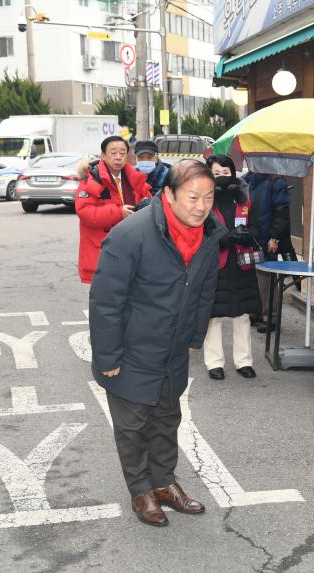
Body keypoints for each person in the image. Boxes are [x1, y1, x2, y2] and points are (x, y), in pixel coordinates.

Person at [89, 160, 225, 527]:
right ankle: (141, 491)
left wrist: (194, 336)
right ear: (168, 194)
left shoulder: (211, 232)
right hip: (132, 348)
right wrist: (107, 357)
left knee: (167, 418)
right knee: (133, 426)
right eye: (193, 197)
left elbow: (204, 290)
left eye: (208, 198)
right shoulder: (130, 234)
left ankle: (164, 483)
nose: (201, 207)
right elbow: (106, 301)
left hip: (173, 349)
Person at [203, 154, 261, 381]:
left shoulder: (245, 199)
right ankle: (214, 363)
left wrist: (248, 236)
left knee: (242, 315)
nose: (222, 177)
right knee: (213, 316)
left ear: (233, 173)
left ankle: (244, 361)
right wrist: (224, 239)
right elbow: (197, 234)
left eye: (226, 173)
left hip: (241, 265)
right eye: (216, 174)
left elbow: (257, 228)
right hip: (215, 265)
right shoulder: (204, 201)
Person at [75, 135, 151, 283]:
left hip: (132, 248)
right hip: (102, 251)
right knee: (105, 301)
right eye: (113, 153)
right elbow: (85, 212)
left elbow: (148, 201)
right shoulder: (91, 179)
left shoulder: (135, 178)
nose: (118, 157)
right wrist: (118, 212)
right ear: (103, 155)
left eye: (122, 153)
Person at [241, 171, 290, 333]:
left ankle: (271, 318)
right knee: (251, 277)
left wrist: (274, 237)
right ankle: (255, 312)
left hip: (268, 239)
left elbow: (281, 212)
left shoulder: (276, 181)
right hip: (250, 238)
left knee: (266, 280)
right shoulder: (246, 180)